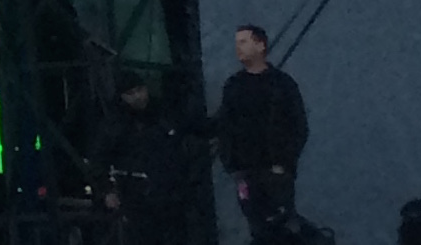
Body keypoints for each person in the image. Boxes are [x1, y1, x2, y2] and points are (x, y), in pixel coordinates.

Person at [214, 24, 308, 241]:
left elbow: (298, 126)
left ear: (260, 45)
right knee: (258, 229)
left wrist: (284, 164)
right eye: (237, 43)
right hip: (246, 174)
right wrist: (232, 165)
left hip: (276, 174)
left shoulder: (282, 84)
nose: (238, 48)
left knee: (282, 229)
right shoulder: (233, 85)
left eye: (243, 42)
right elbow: (224, 126)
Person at [96, 75, 199, 245]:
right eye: (130, 93)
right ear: (122, 97)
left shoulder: (164, 113)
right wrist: (107, 190)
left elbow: (195, 127)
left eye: (139, 90)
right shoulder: (114, 124)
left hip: (172, 195)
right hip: (137, 198)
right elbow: (99, 160)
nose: (137, 96)